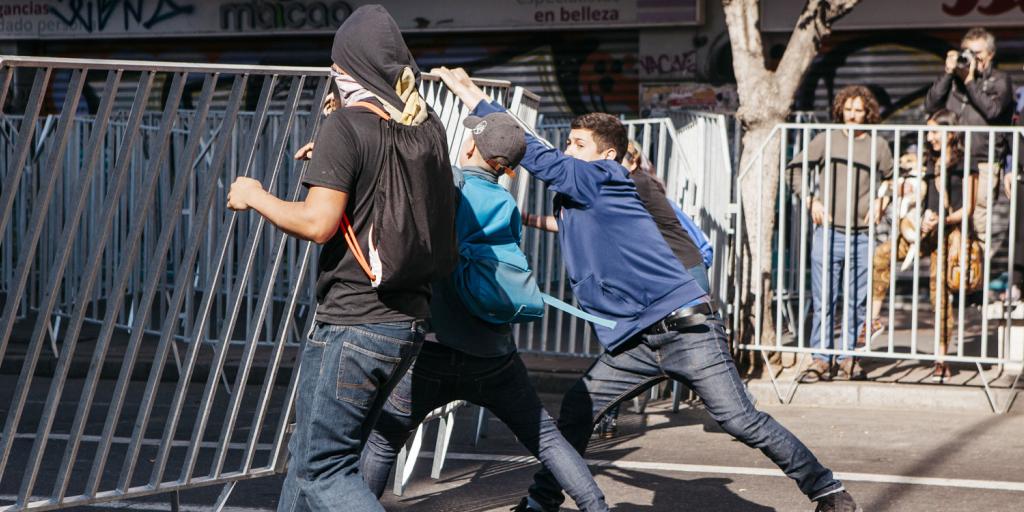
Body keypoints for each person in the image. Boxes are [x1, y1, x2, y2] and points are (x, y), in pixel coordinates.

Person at [433, 66, 861, 512]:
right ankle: (541, 502)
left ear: (608, 155)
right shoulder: (583, 196)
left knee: (741, 421)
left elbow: (539, 157)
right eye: (568, 142)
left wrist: (473, 97)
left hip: (686, 330)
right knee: (578, 411)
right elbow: (569, 215)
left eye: (577, 145)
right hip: (634, 340)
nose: (567, 150)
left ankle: (828, 490)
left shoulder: (604, 178)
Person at [228, 6, 455, 510]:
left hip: (353, 323)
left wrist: (254, 194)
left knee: (322, 471)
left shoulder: (346, 126)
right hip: (407, 322)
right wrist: (335, 150)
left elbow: (317, 223)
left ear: (345, 65)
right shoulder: (426, 127)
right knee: (311, 460)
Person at [358, 111, 610, 511]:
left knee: (384, 440)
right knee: (545, 437)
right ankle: (595, 505)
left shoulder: (447, 186)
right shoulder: (505, 202)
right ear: (508, 169)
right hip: (493, 354)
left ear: (471, 145)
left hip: (432, 351)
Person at [789, 85, 893, 383]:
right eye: (848, 109)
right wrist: (811, 200)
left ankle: (849, 358)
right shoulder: (826, 140)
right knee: (824, 298)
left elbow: (892, 177)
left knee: (857, 300)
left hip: (862, 234)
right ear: (840, 110)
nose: (852, 115)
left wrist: (881, 199)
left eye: (859, 110)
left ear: (867, 113)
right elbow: (794, 169)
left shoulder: (879, 146)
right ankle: (821, 360)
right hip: (828, 232)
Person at [925, 27, 1013, 251]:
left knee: (977, 222)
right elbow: (932, 105)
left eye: (977, 53)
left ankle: (975, 282)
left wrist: (970, 82)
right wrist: (947, 72)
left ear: (990, 54)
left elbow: (993, 111)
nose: (970, 58)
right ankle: (947, 280)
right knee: (946, 220)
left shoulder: (1000, 81)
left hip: (982, 161)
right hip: (951, 161)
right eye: (966, 52)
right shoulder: (953, 78)